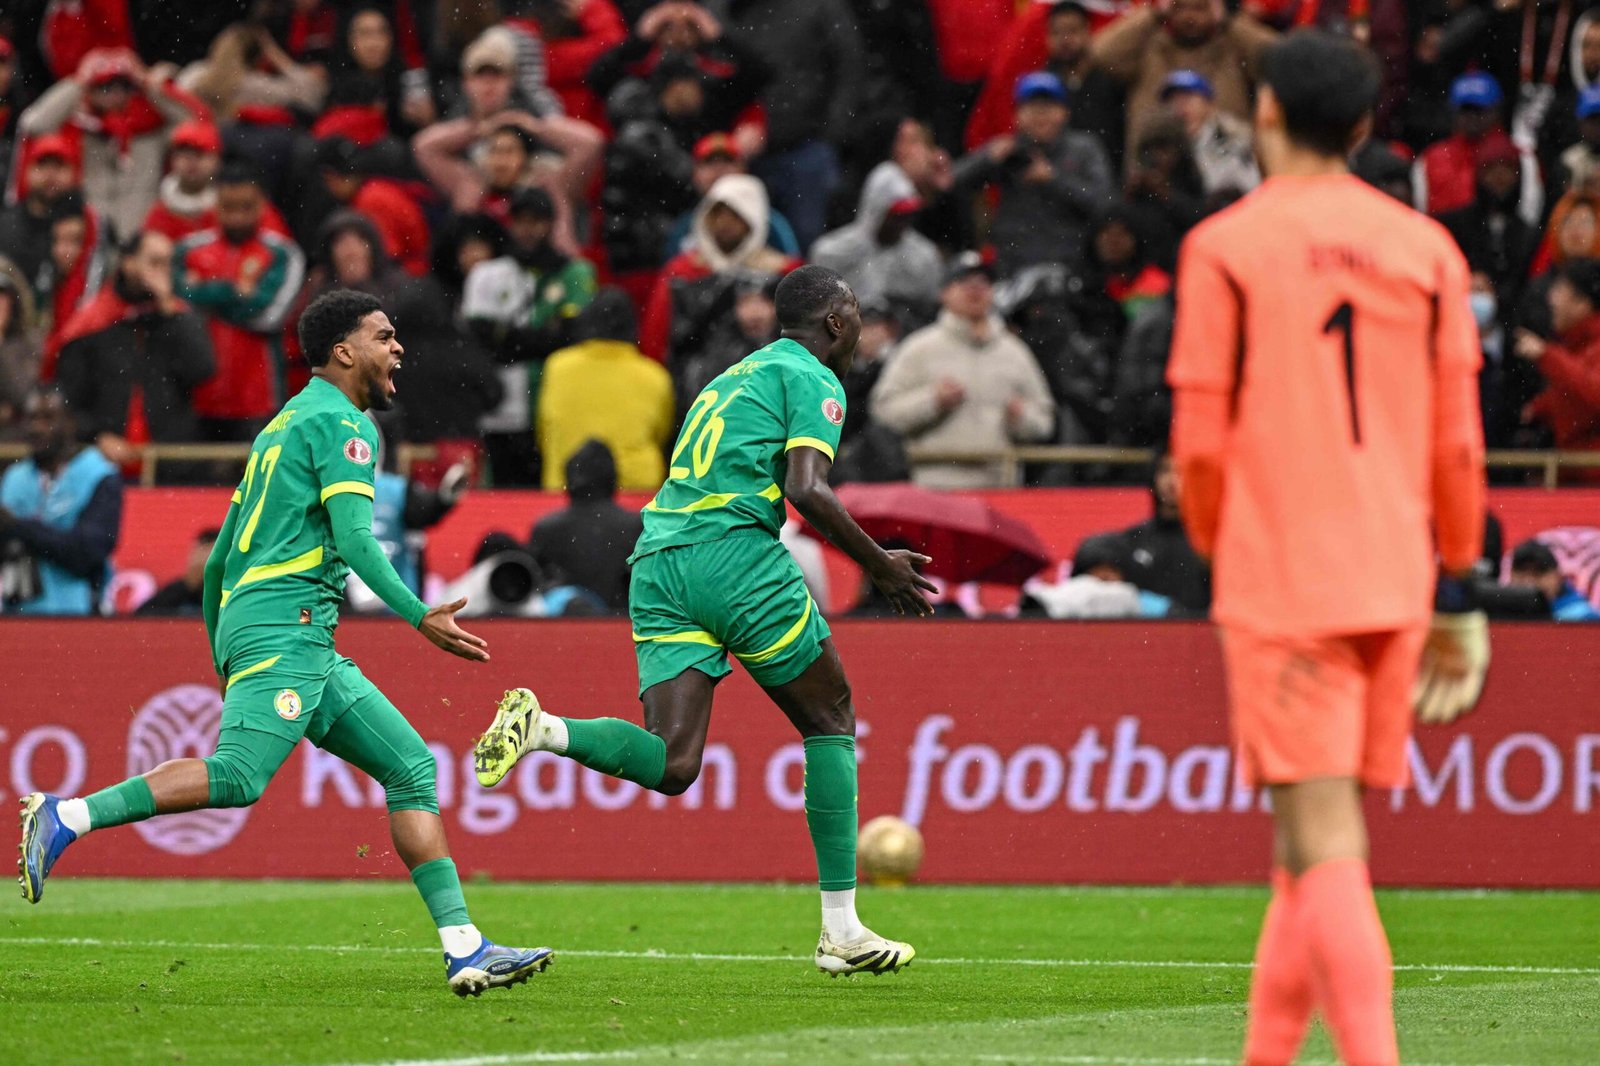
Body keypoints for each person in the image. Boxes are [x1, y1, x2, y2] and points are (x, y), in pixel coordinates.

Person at [18, 289, 553, 997]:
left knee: (411, 768)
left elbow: (218, 562)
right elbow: (357, 541)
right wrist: (420, 614)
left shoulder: (282, 426)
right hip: (289, 625)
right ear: (344, 352)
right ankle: (67, 816)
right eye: (384, 336)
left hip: (287, 631)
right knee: (239, 775)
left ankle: (465, 949)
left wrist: (223, 649)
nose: (398, 348)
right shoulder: (345, 428)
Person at [1167, 31, 1487, 1064]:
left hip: (1284, 576)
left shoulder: (1226, 246)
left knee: (1329, 845)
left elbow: (1198, 443)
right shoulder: (1426, 249)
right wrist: (1458, 581)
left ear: (1263, 111)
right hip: (1393, 577)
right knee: (1302, 850)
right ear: (1359, 125)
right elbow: (1457, 443)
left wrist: (1221, 545)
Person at [472, 265, 934, 977]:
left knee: (674, 762)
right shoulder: (813, 377)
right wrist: (880, 565)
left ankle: (545, 729)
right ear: (836, 324)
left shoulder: (730, 378)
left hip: (658, 562)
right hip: (732, 557)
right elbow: (806, 488)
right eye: (855, 319)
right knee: (830, 718)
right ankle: (841, 930)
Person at [870, 252, 1056, 490]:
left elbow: (1045, 420)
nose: (975, 289)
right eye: (964, 282)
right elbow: (883, 411)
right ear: (944, 292)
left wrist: (1022, 418)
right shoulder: (918, 348)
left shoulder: (1015, 352)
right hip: (934, 486)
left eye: (983, 282)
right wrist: (932, 401)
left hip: (1000, 487)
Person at [462, 187, 599, 486]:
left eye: (536, 221)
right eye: (521, 221)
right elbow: (477, 339)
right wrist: (542, 338)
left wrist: (509, 339)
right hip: (503, 407)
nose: (528, 230)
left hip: (554, 399)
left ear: (550, 223)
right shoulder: (488, 274)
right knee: (504, 491)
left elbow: (573, 337)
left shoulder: (573, 272)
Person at [53, 231, 216, 467]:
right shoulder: (95, 321)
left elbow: (202, 369)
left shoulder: (177, 317)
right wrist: (96, 435)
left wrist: (168, 308)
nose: (163, 273)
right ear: (129, 263)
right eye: (155, 262)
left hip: (168, 461)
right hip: (103, 462)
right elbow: (69, 397)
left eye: (168, 264)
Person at [176, 162, 307, 442]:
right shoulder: (188, 249)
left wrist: (205, 294)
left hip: (259, 398)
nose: (236, 217)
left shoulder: (283, 254)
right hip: (197, 396)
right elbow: (177, 308)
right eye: (228, 207)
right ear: (215, 204)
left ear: (262, 204)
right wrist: (233, 293)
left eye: (246, 207)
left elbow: (268, 316)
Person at [952, 71, 1117, 277]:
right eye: (1031, 107)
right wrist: (986, 160)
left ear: (1065, 112)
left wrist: (1053, 179)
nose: (1040, 115)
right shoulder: (1008, 152)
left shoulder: (1084, 148)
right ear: (1016, 116)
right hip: (1012, 266)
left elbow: (1106, 204)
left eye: (1048, 107)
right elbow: (948, 184)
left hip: (1071, 265)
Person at [1090, 0, 1277, 153]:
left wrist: (1230, 19)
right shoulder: (1146, 46)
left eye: (1199, 8)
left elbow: (1278, 58)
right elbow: (1100, 54)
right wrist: (1152, 14)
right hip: (1154, 171)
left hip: (1223, 165)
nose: (1189, 17)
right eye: (1180, 7)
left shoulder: (1235, 45)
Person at [536, 287, 673, 492]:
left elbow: (543, 433)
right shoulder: (655, 377)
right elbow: (662, 435)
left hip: (567, 489)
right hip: (637, 493)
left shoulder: (557, 368)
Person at [0, 385, 121, 616]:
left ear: (70, 423)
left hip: (79, 616)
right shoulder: (14, 478)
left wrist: (17, 527)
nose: (37, 427)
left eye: (48, 418)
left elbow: (86, 552)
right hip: (18, 618)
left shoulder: (99, 475)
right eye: (31, 418)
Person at [809, 164, 943, 325]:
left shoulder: (924, 257)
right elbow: (817, 309)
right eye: (896, 216)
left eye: (907, 216)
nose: (901, 224)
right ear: (876, 210)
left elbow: (930, 311)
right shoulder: (831, 252)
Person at [528, 439, 642, 613]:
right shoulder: (636, 527)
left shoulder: (546, 529)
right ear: (612, 479)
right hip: (625, 625)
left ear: (569, 480)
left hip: (562, 626)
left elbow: (530, 594)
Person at [1514, 257, 1600, 469]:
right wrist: (1539, 408)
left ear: (1582, 303)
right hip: (1572, 472)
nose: (1551, 298)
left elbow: (1592, 391)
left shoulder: (1588, 347)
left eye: (1560, 290)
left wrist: (1546, 355)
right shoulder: (1573, 344)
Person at [1111, 449, 1210, 613]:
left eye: (1180, 471)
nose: (1172, 481)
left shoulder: (1209, 543)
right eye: (1165, 471)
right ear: (1153, 478)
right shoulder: (1131, 540)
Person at [1159, 69, 1259, 196]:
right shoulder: (1163, 144)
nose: (1180, 107)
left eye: (1188, 98)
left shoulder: (1231, 138)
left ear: (1208, 103)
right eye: (1173, 101)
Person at [1506, 539, 1600, 621]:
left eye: (1538, 573)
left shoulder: (1585, 618)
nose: (1529, 582)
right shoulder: (1503, 612)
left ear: (1557, 575)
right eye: (1522, 574)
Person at [135, 527, 219, 616]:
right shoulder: (176, 591)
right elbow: (142, 616)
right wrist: (190, 583)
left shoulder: (225, 593)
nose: (203, 560)